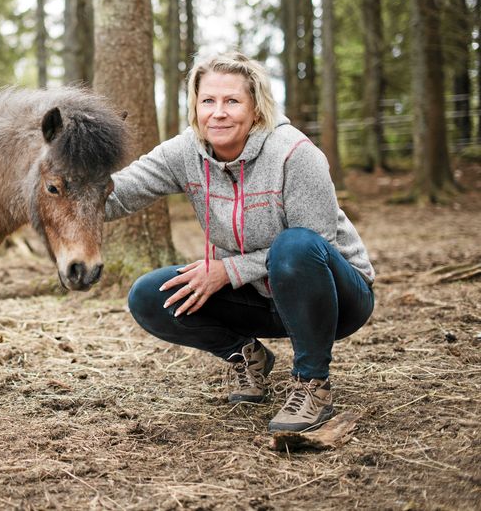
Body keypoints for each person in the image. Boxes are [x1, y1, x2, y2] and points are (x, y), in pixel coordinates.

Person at [106, 51, 374, 432]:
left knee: (294, 245)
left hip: (335, 297)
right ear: (195, 107)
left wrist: (227, 270)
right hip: (258, 297)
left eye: (232, 101)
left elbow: (317, 245)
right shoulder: (185, 152)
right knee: (150, 295)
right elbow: (117, 194)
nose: (219, 112)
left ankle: (313, 383)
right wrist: (61, 185)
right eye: (208, 101)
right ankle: (247, 356)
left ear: (255, 108)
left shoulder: (295, 154)